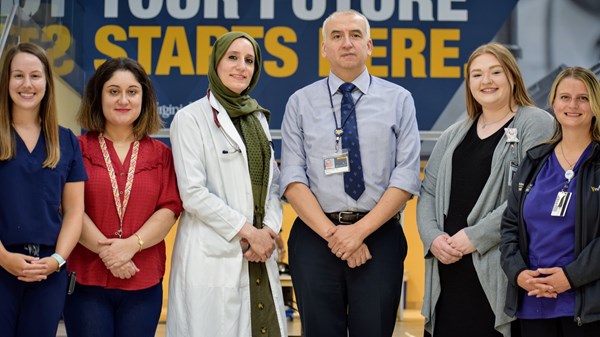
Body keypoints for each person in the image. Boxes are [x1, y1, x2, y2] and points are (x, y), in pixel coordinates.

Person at [280, 10, 421, 337]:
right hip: (316, 236)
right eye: (337, 36)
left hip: (379, 236)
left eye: (355, 35)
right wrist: (336, 235)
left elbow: (406, 177)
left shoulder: (399, 100)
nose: (347, 43)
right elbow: (292, 178)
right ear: (324, 48)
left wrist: (359, 232)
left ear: (369, 46)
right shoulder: (300, 103)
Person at [416, 42, 555, 337]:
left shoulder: (536, 123)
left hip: (495, 266)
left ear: (513, 77)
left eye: (495, 72)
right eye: (477, 75)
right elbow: (427, 192)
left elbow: (530, 192)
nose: (486, 81)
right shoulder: (454, 133)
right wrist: (433, 239)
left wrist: (474, 237)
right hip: (448, 266)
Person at [167, 31, 286, 337]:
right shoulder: (190, 118)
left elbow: (273, 184)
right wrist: (249, 233)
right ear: (216, 63)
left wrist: (269, 232)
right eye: (232, 57)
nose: (241, 66)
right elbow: (193, 193)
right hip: (214, 255)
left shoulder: (258, 119)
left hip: (259, 252)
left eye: (249, 60)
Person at [62, 57, 182, 337]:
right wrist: (110, 253)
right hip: (86, 283)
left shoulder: (162, 155)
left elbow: (168, 210)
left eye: (132, 92)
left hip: (142, 280)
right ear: (98, 96)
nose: (123, 100)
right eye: (113, 91)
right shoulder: (75, 148)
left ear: (144, 98)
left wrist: (131, 246)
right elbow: (69, 208)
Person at [500, 66, 600, 336]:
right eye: (565, 97)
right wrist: (519, 273)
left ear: (595, 104)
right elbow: (509, 227)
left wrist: (570, 277)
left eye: (583, 98)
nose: (573, 105)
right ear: (553, 102)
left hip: (586, 306)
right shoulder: (534, 161)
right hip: (533, 301)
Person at [0, 42, 87, 337]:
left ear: (47, 82)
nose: (27, 84)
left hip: (48, 272)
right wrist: (2, 257)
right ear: (6, 81)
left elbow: (75, 211)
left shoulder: (66, 141)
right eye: (18, 76)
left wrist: (58, 260)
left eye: (35, 76)